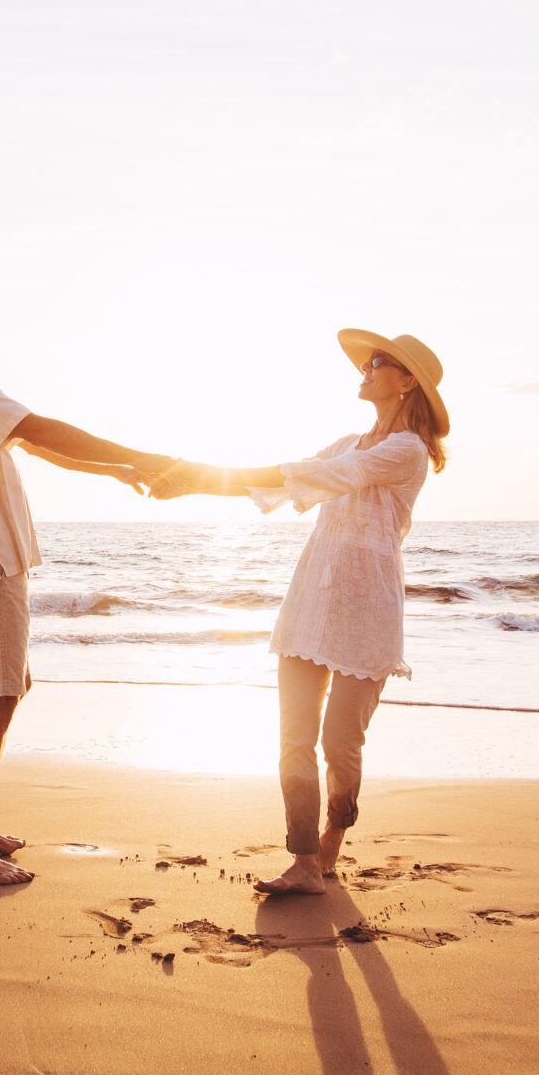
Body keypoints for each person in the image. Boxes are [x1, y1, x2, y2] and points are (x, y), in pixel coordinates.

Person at [150, 329, 448, 895]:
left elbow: (314, 476)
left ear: (407, 381)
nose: (365, 367)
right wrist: (197, 486)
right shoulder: (344, 443)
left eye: (378, 362)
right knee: (294, 739)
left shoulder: (406, 450)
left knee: (340, 744)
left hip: (367, 613)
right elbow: (288, 480)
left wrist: (196, 473)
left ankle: (332, 843)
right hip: (311, 603)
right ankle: (304, 861)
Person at [0, 266, 174, 886]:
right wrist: (141, 454)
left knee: (8, 687)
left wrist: (111, 470)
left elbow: (20, 442)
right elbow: (33, 426)